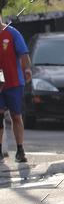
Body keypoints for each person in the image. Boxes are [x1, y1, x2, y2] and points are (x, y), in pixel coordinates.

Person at [0, 14, 32, 163]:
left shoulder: (12, 33)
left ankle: (20, 150)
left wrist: (27, 70)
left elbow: (24, 54)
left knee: (16, 116)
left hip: (14, 82)